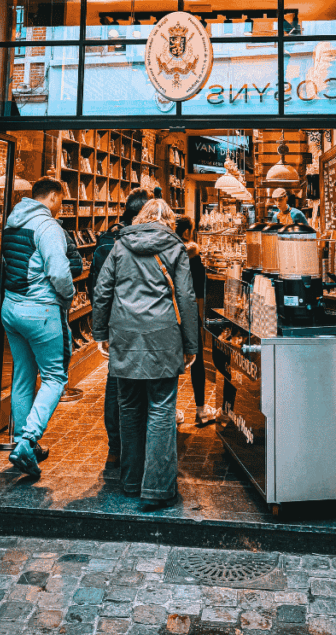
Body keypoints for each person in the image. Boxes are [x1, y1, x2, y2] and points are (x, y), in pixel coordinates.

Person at [93, 198, 199, 510]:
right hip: (163, 336)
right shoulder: (175, 247)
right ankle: (157, 488)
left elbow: (102, 290)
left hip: (125, 334)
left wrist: (100, 333)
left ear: (140, 217)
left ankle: (130, 481)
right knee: (162, 409)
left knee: (128, 407)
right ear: (170, 221)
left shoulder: (120, 245)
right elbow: (186, 297)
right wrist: (191, 345)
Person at [1, 176, 75, 478]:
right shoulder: (48, 226)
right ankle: (28, 440)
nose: (61, 206)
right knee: (55, 377)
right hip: (40, 309)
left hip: (11, 307)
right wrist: (68, 296)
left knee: (23, 375)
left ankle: (22, 442)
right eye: (62, 200)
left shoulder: (11, 222)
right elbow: (59, 272)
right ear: (54, 197)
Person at [88, 187, 149, 472]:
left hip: (116, 322)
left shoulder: (107, 239)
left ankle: (116, 448)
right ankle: (136, 447)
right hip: (139, 321)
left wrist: (101, 329)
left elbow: (97, 289)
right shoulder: (138, 240)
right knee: (143, 386)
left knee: (116, 383)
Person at [175, 217, 218, 427]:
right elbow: (199, 288)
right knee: (197, 360)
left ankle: (171, 411)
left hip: (171, 313)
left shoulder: (167, 253)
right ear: (186, 233)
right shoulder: (193, 255)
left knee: (171, 362)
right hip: (190, 313)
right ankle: (200, 410)